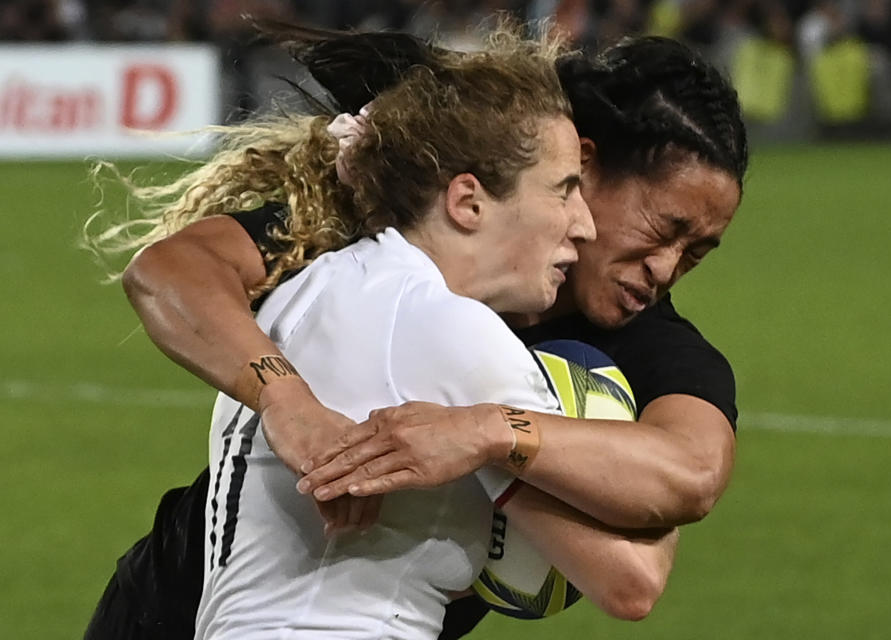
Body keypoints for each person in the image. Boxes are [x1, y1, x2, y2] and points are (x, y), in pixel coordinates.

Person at [89, 28, 747, 640]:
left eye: (698, 252)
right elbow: (170, 270)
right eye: (663, 230)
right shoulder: (405, 271)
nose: (666, 268)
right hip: (171, 600)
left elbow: (694, 468)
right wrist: (288, 401)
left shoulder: (356, 264)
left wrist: (486, 432)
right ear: (585, 167)